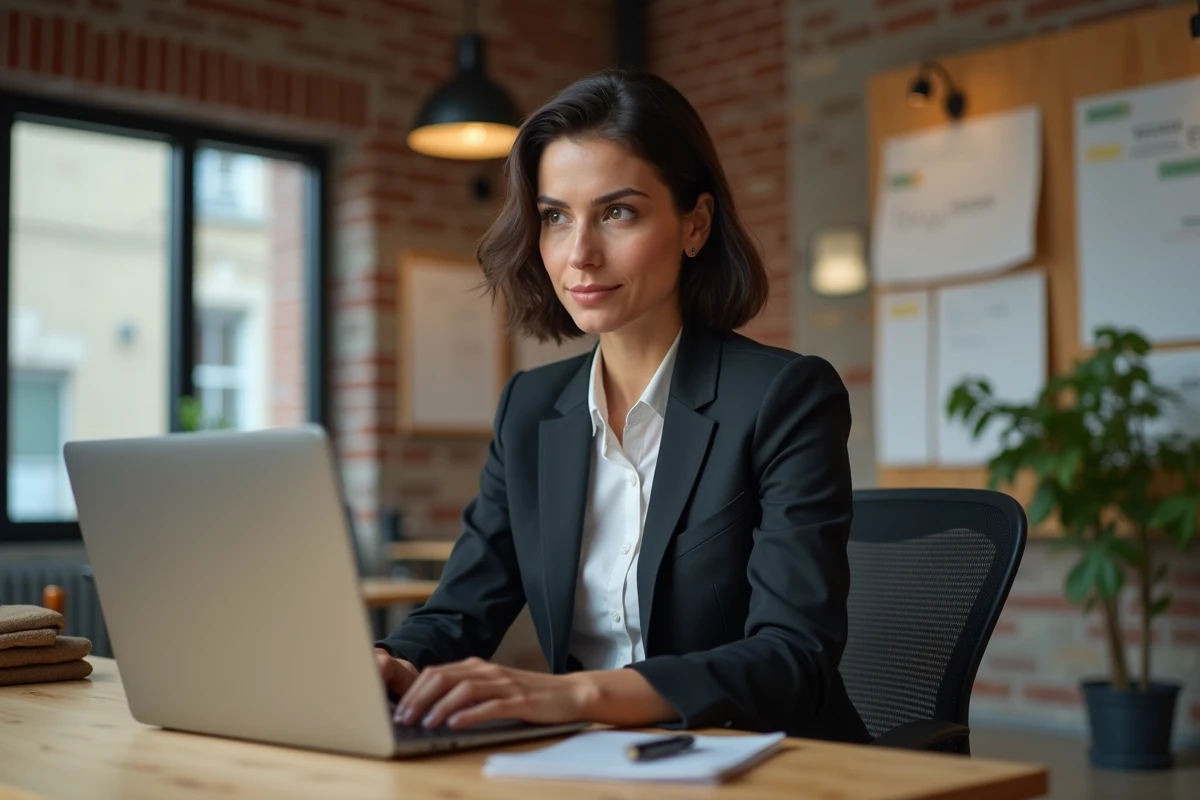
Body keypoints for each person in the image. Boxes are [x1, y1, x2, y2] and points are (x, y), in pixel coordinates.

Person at [374, 69, 869, 744]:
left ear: (695, 224)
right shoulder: (530, 409)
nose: (579, 254)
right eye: (555, 217)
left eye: (617, 213)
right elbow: (461, 610)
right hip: (595, 760)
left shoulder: (784, 397)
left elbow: (793, 658)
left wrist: (575, 694)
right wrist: (392, 663)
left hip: (766, 760)